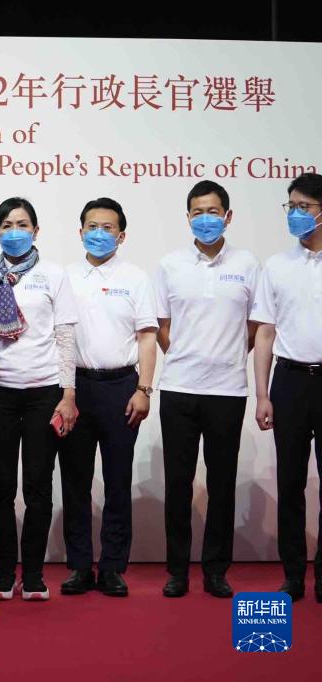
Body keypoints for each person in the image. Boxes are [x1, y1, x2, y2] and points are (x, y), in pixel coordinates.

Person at [154, 180, 259, 599]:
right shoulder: (170, 264)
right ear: (188, 217)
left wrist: (227, 356)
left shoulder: (248, 264)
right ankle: (177, 571)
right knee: (177, 483)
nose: (205, 219)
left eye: (213, 212)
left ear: (228, 216)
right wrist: (187, 356)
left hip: (228, 391)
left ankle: (216, 570)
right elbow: (162, 326)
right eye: (197, 212)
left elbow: (255, 325)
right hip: (178, 388)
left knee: (222, 483)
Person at [0, 197, 79, 602]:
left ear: (36, 231)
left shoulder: (53, 275)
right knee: (0, 487)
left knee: (38, 486)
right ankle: (2, 573)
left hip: (43, 391)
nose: (14, 231)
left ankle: (33, 574)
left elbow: (65, 336)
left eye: (22, 224)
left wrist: (68, 394)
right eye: (6, 225)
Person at [59, 198, 157, 598]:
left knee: (118, 481)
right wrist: (64, 391)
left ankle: (114, 566)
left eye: (108, 227)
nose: (99, 233)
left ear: (122, 235)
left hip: (122, 388)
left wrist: (144, 389)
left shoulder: (136, 277)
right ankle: (80, 566)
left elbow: (147, 337)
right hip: (75, 388)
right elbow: (60, 337)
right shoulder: (64, 277)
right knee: (75, 482)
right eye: (92, 226)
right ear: (80, 231)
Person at [252, 172, 322, 602]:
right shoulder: (277, 266)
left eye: (304, 207)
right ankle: (293, 575)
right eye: (291, 206)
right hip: (290, 381)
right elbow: (264, 333)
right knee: (290, 483)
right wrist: (262, 394)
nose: (295, 214)